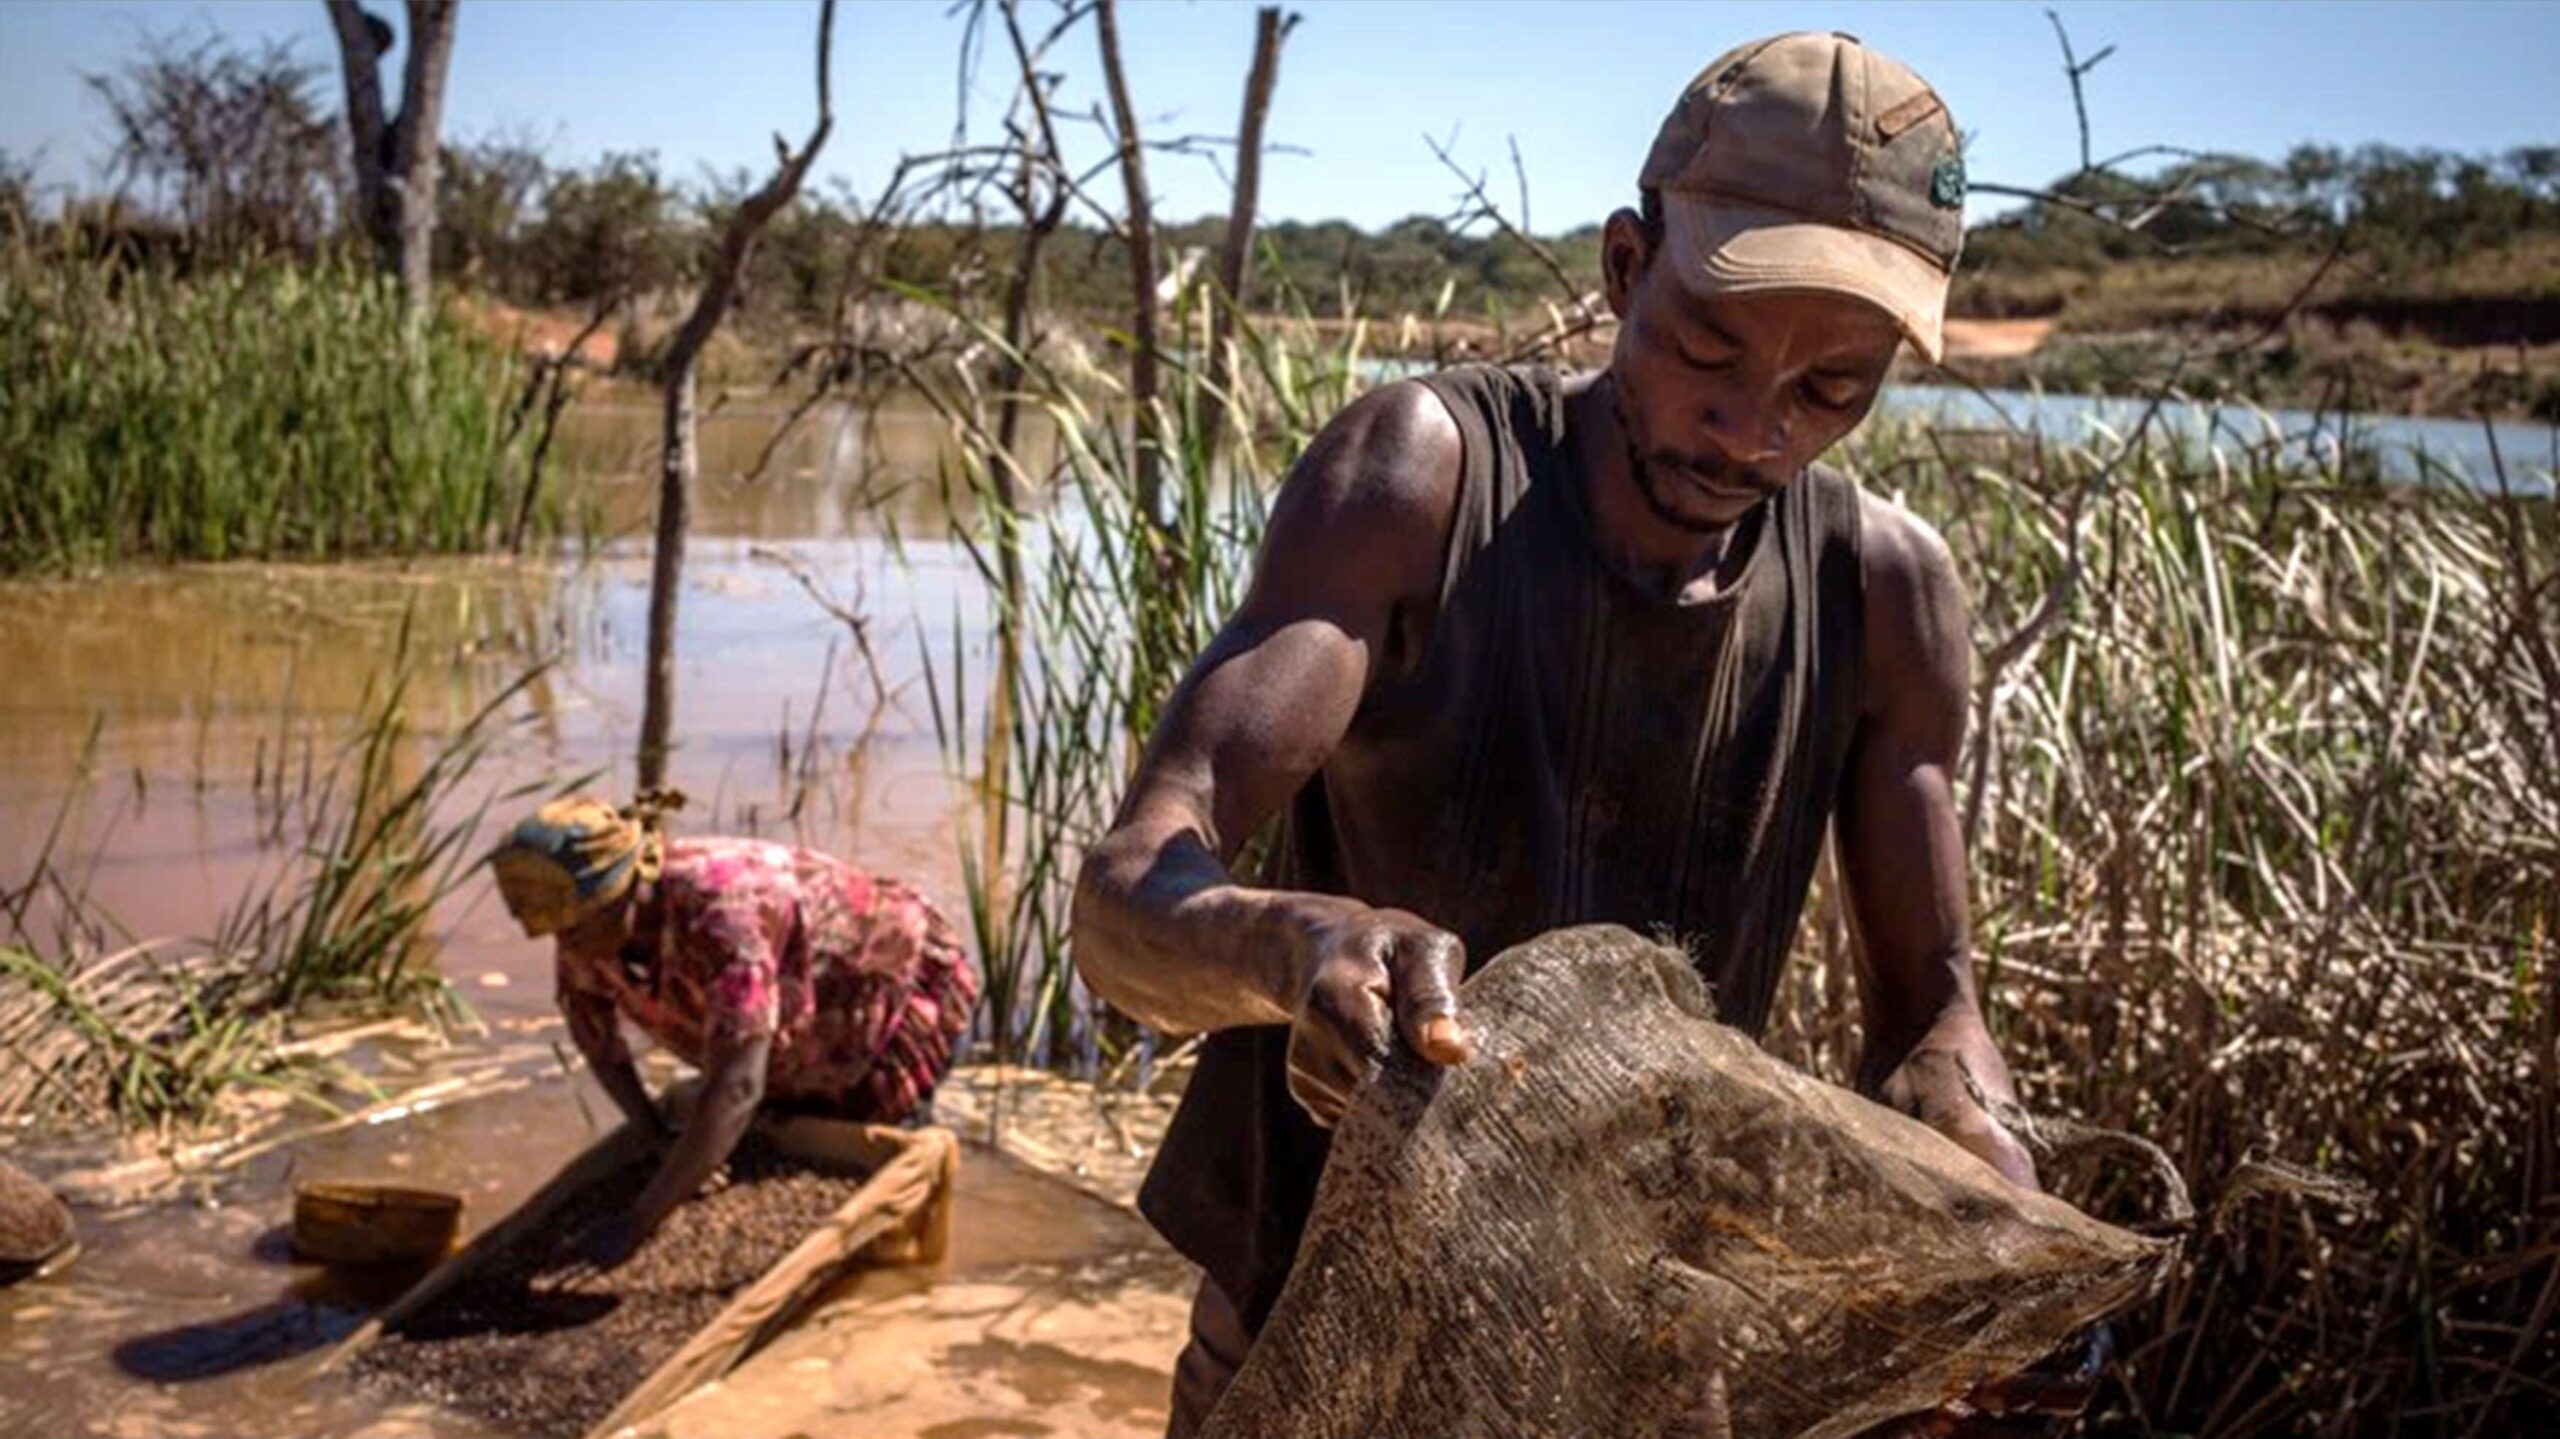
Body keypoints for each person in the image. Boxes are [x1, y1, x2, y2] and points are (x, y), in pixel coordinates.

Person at [1071, 31, 2091, 1436]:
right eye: (1706, 345)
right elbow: (1126, 898)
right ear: (1625, 267)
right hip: (1313, 1341)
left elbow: (1932, 1012)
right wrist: (1290, 944)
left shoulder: (1886, 593)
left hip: (1646, 1355)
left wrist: (1985, 1171)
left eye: (1830, 390)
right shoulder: (1421, 479)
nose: (1750, 432)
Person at [488, 794, 976, 1266]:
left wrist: (640, 1221)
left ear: (625, 892)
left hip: (879, 995)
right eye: (557, 931)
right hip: (794, 1021)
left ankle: (898, 1283)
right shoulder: (587, 932)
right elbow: (596, 1038)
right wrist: (652, 1133)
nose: (568, 943)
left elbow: (739, 1087)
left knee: (877, 1200)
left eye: (578, 927)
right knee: (773, 1135)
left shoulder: (726, 914)